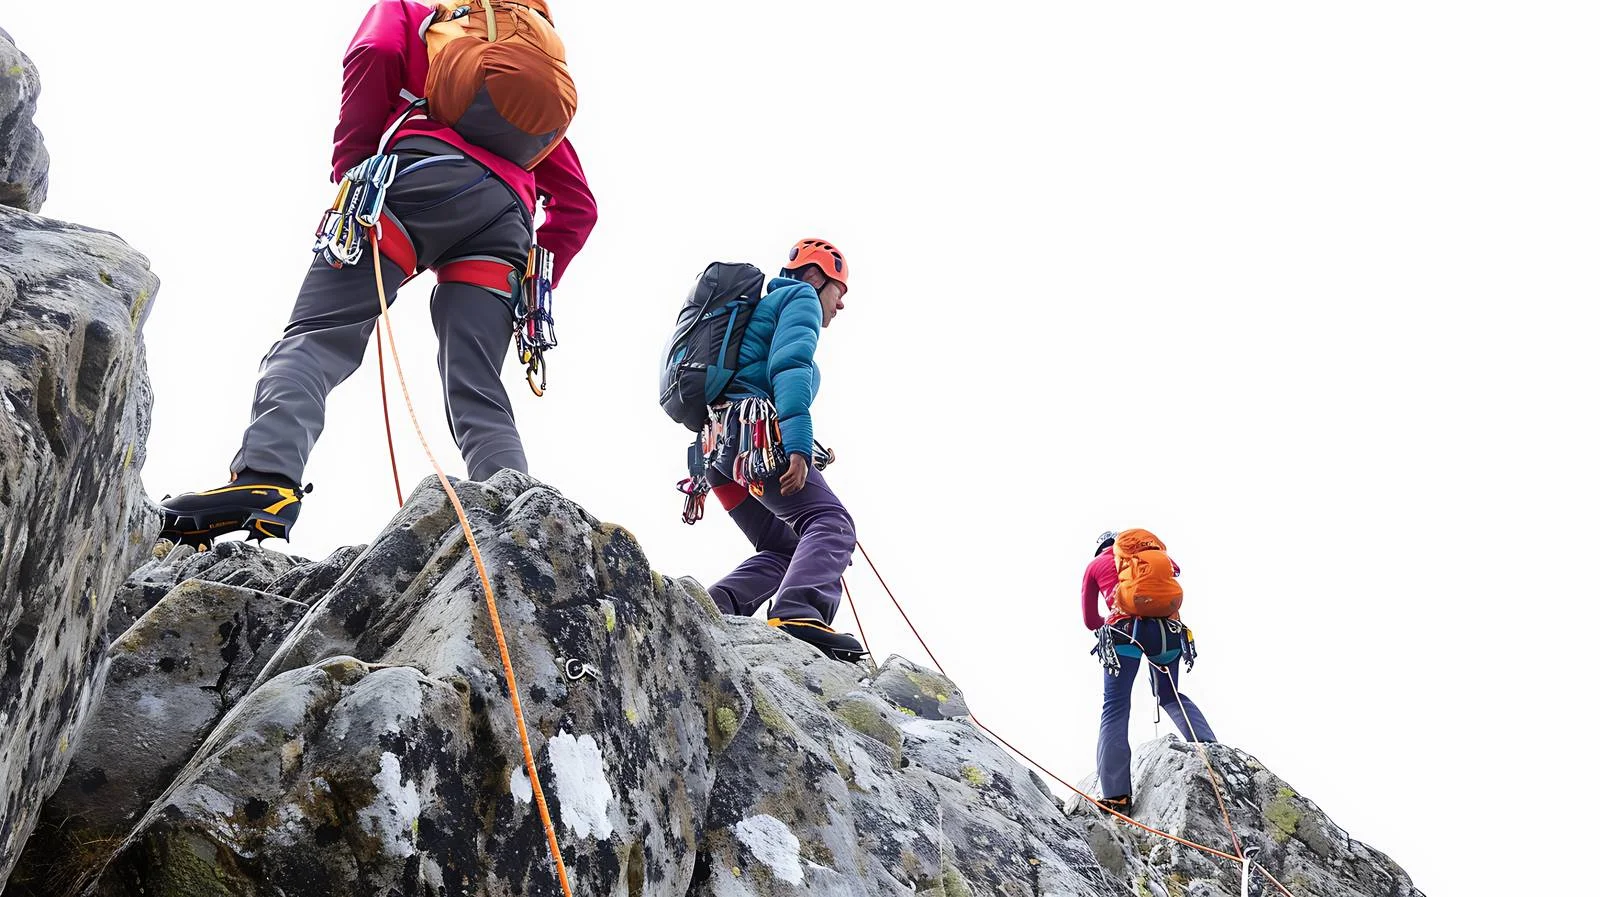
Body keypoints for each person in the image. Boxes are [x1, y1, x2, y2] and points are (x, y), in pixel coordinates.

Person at [159, 0, 597, 545]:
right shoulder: (526, 105)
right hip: (506, 219)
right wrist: (531, 283)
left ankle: (266, 478)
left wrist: (354, 165)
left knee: (317, 338)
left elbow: (376, 50)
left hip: (414, 182)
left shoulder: (420, 18)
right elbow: (579, 206)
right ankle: (515, 520)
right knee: (477, 387)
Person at [703, 239, 866, 662]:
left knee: (784, 547)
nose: (840, 304)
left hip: (718, 455)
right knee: (830, 522)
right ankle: (799, 612)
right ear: (815, 276)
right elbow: (789, 366)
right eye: (840, 290)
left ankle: (713, 608)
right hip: (752, 436)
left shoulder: (765, 310)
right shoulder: (800, 298)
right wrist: (796, 444)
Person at [1083, 529, 1217, 810]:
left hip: (1123, 633)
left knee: (1116, 707)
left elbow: (1090, 619)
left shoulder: (1095, 566)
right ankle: (1210, 750)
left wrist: (1105, 622)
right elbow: (1174, 571)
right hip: (1165, 632)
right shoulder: (1151, 556)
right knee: (1170, 695)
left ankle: (1116, 794)